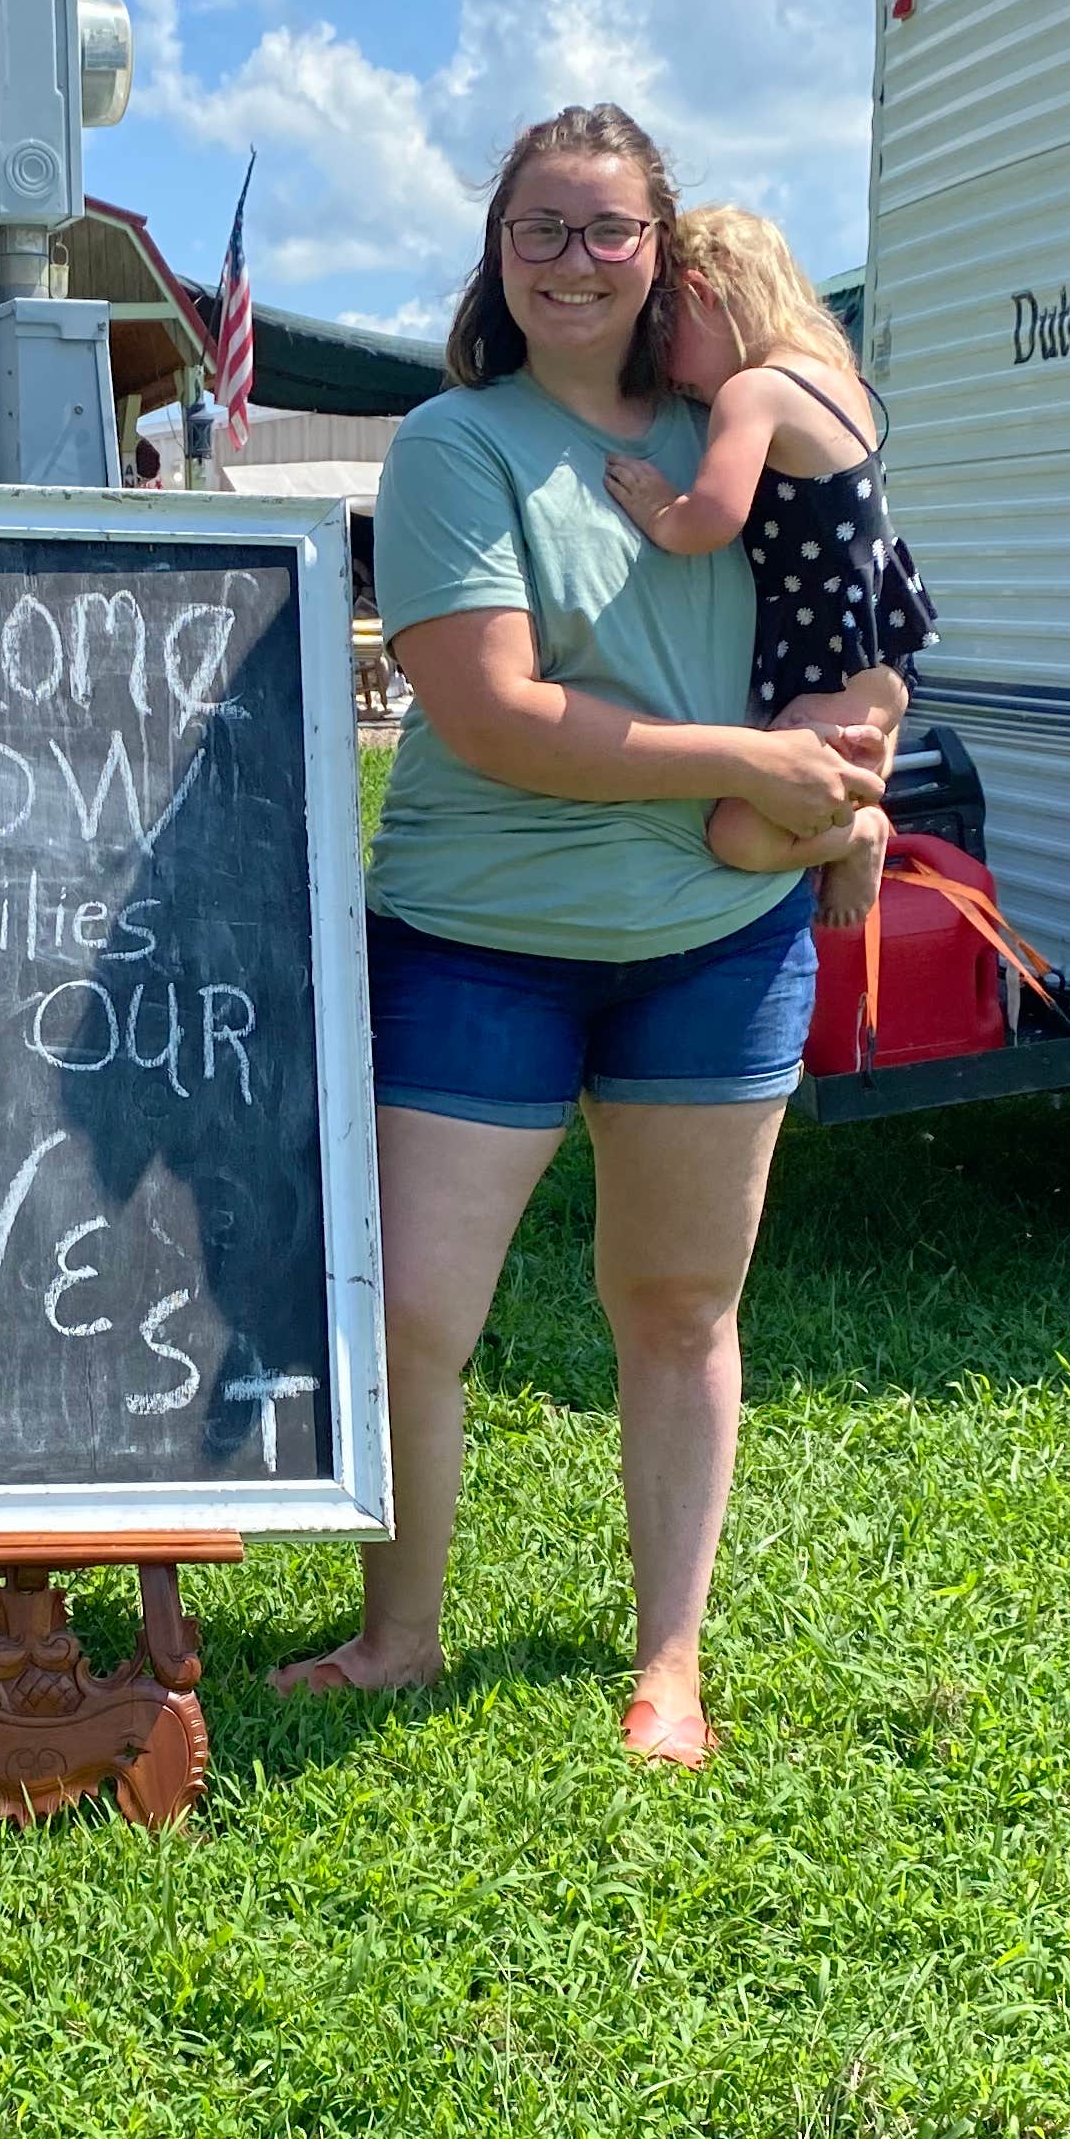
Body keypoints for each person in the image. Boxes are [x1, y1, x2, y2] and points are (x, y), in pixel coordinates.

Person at [273, 106, 887, 1763]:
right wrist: (753, 764)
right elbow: (490, 715)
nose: (570, 260)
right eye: (536, 228)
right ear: (494, 251)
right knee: (410, 1308)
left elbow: (863, 602)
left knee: (676, 1305)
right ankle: (397, 1631)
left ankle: (667, 1661)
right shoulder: (450, 445)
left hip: (718, 931)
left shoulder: (743, 426)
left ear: (660, 250)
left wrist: (851, 745)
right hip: (479, 937)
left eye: (606, 229)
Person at [603, 202, 934, 925]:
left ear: (701, 293)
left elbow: (714, 517)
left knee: (736, 834)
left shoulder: (751, 390)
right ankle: (850, 825)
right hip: (870, 658)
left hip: (822, 664)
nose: (663, 366)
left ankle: (860, 837)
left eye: (665, 331)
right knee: (804, 796)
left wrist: (663, 507)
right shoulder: (834, 376)